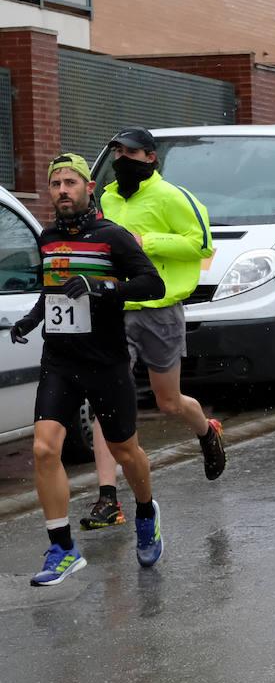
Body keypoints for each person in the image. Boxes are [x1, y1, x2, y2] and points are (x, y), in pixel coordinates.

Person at [13, 154, 166, 585]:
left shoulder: (112, 237)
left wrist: (101, 287)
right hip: (60, 361)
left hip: (106, 361)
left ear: (89, 188)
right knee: (44, 449)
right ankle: (62, 548)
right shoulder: (47, 238)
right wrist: (31, 319)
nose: (62, 190)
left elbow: (153, 283)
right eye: (55, 183)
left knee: (125, 452)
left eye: (71, 182)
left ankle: (144, 510)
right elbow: (53, 291)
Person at [85, 128, 225, 530]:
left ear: (150, 157)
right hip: (114, 308)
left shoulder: (174, 197)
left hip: (160, 310)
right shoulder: (106, 198)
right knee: (107, 398)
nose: (122, 158)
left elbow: (200, 244)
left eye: (131, 152)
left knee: (168, 403)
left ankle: (206, 430)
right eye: (118, 152)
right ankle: (108, 497)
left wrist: (146, 241)